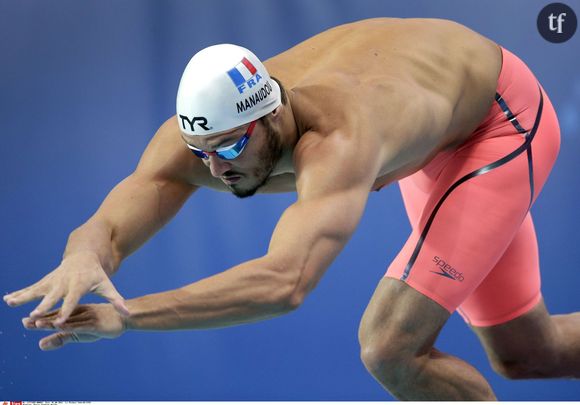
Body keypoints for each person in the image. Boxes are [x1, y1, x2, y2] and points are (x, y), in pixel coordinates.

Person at [3, 18, 579, 400]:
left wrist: (129, 315)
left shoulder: (340, 138)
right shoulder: (211, 133)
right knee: (528, 355)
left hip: (499, 123)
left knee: (390, 346)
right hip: (432, 123)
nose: (217, 169)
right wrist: (83, 255)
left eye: (231, 147)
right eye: (201, 153)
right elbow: (113, 219)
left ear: (275, 114)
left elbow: (285, 282)